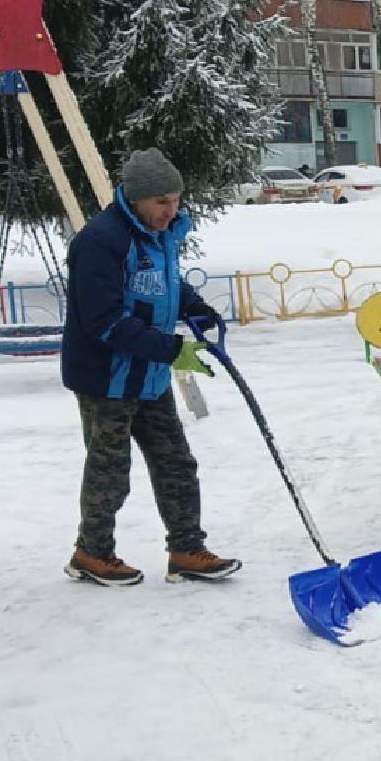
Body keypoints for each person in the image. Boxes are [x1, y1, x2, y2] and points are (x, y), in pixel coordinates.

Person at [60, 148, 241, 587]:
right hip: (108, 378)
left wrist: (195, 309)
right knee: (110, 469)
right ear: (135, 198)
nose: (171, 210)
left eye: (176, 199)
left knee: (177, 463)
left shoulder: (161, 234)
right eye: (161, 201)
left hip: (149, 374)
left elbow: (164, 285)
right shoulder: (101, 241)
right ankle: (92, 552)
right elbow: (104, 322)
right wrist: (171, 350)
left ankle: (186, 549)